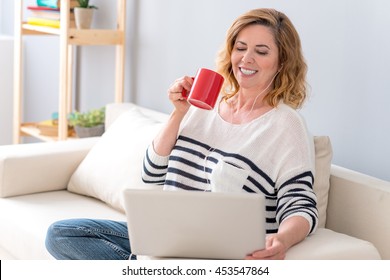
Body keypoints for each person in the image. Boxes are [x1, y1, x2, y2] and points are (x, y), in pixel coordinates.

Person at [45, 8, 318, 260]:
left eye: (261, 51)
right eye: (241, 47)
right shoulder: (205, 104)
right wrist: (178, 112)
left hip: (222, 252)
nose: (246, 58)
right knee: (61, 234)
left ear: (282, 62)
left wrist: (282, 239)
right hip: (168, 237)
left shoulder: (286, 125)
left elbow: (300, 206)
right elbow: (151, 174)